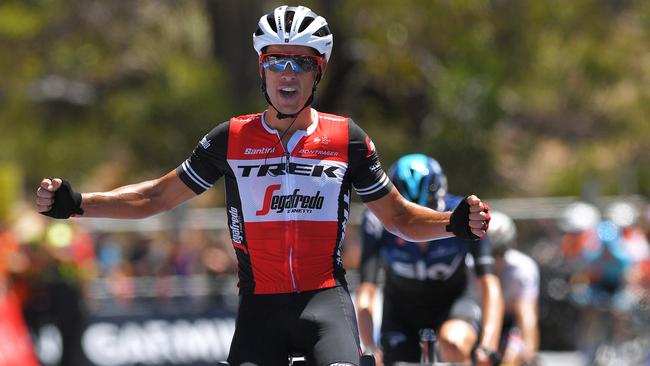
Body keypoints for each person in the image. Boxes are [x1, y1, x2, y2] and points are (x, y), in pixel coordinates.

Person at [35, 6, 490, 366]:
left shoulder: (345, 138)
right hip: (260, 306)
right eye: (276, 61)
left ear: (318, 73)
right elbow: (156, 196)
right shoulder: (230, 139)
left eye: (301, 63)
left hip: (325, 301)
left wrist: (453, 223)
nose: (287, 73)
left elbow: (400, 217)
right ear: (262, 69)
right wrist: (77, 203)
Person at [355, 154, 502, 366]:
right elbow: (366, 291)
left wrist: (488, 345)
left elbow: (490, 286)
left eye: (426, 217)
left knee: (453, 343)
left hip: (453, 302)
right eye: (404, 220)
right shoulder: (375, 223)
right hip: (401, 308)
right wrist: (369, 346)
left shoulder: (465, 215)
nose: (416, 230)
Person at [487, 211, 540, 366]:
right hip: (480, 322)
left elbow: (527, 316)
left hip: (510, 324)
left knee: (512, 357)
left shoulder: (522, 268)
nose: (495, 260)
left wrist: (529, 354)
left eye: (500, 252)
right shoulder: (469, 266)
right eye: (489, 253)